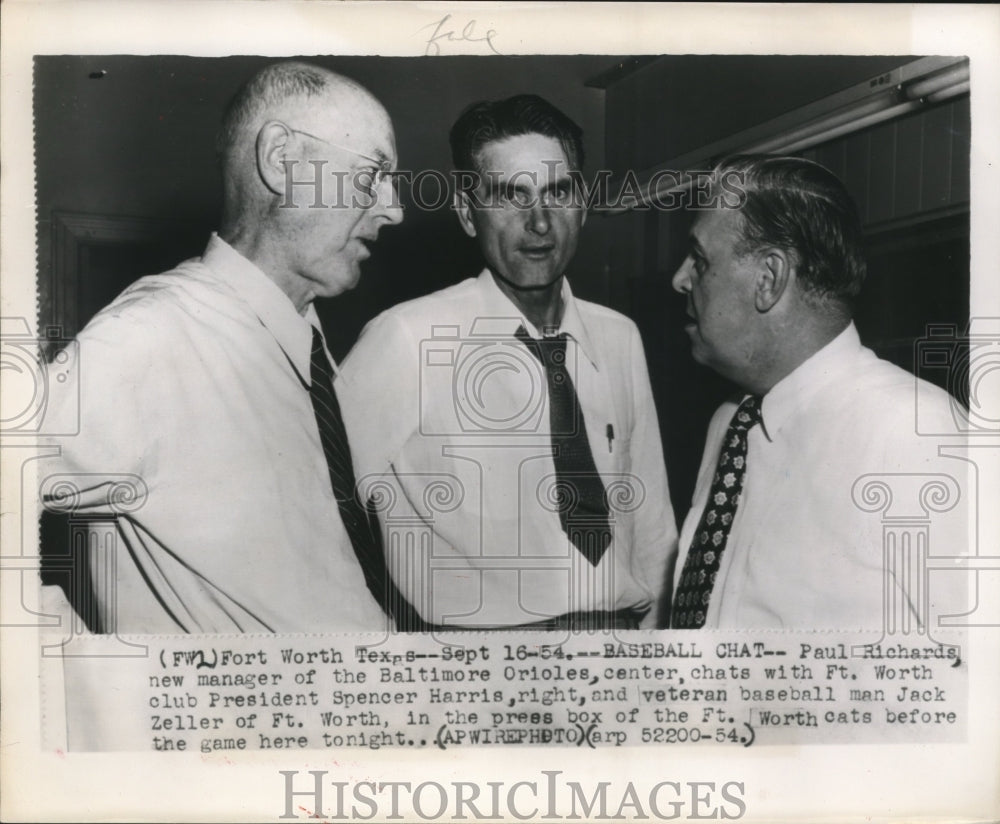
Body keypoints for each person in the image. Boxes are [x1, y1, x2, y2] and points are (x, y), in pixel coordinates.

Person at [39, 61, 403, 633]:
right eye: (374, 174)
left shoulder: (306, 342)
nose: (395, 208)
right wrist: (81, 682)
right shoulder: (155, 335)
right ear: (281, 160)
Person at [339, 94, 676, 630]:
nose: (539, 222)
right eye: (509, 196)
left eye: (557, 192)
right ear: (468, 213)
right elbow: (313, 507)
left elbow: (654, 530)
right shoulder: (406, 339)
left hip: (617, 656)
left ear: (583, 203)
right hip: (478, 672)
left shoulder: (620, 339)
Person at [668, 154, 967, 629]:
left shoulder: (917, 432)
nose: (680, 278)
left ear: (769, 279)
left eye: (700, 261)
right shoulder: (731, 421)